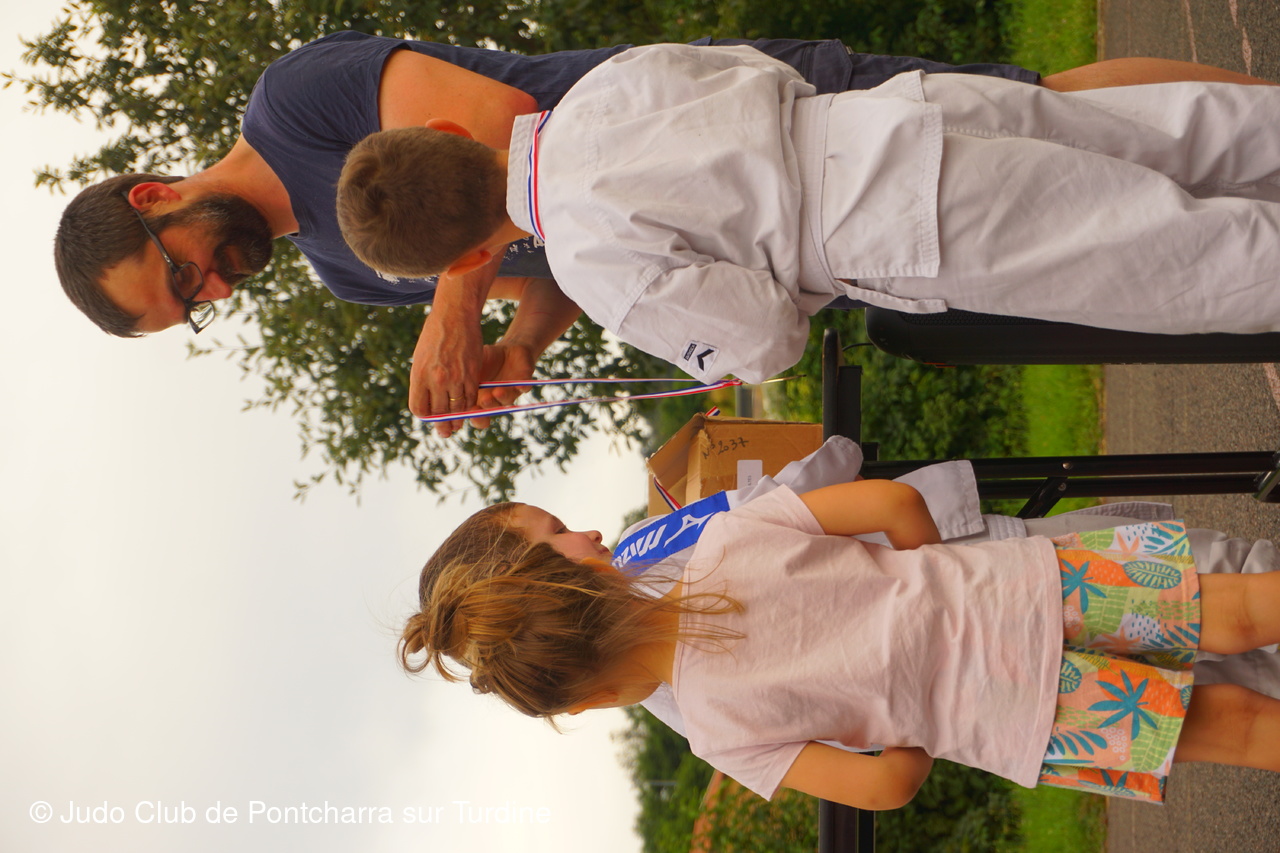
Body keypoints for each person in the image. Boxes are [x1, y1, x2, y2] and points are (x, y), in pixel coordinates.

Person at [52, 32, 1274, 430]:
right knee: (1130, 142)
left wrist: (453, 304)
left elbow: (490, 121)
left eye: (179, 278)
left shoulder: (292, 101)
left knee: (1135, 209)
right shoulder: (337, 269)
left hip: (817, 204)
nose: (212, 290)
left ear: (152, 197)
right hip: (745, 145)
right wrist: (514, 346)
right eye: (192, 312)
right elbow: (547, 266)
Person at [338, 43, 1280, 385]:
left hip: (896, 226)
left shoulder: (592, 266)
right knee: (1170, 131)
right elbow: (758, 70)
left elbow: (764, 339)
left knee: (1186, 261)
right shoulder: (599, 89)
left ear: (466, 263)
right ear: (450, 130)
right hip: (895, 111)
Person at [399, 480, 1280, 807]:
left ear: (588, 699)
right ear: (599, 577)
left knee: (1235, 729)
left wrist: (927, 706)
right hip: (1019, 587)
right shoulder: (725, 539)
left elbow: (885, 785)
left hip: (1019, 718)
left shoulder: (718, 735)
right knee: (1240, 610)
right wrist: (934, 578)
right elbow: (894, 505)